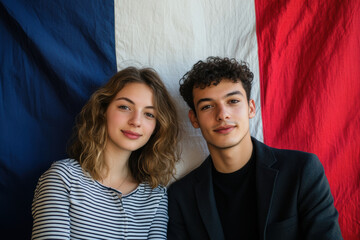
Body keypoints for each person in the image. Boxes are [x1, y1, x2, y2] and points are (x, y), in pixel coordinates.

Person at [167, 57, 342, 240]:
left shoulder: (302, 171)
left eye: (233, 101)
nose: (222, 114)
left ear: (251, 108)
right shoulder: (181, 196)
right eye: (208, 106)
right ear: (194, 119)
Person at [32, 67, 179, 239]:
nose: (136, 121)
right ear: (103, 110)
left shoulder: (155, 196)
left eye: (149, 114)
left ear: (157, 127)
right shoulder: (63, 179)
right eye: (125, 107)